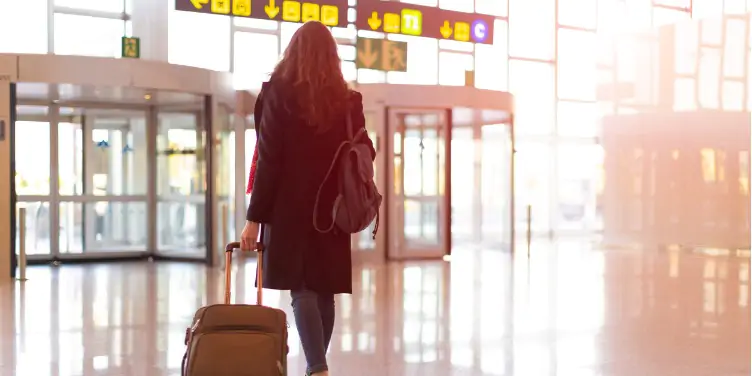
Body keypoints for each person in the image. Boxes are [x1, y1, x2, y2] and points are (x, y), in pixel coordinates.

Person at [240, 20, 376, 376]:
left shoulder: (277, 96)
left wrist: (254, 219)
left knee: (302, 290)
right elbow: (367, 151)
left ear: (293, 53)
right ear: (333, 58)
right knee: (324, 290)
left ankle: (317, 367)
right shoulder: (348, 101)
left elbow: (269, 160)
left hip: (289, 210)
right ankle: (317, 367)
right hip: (334, 208)